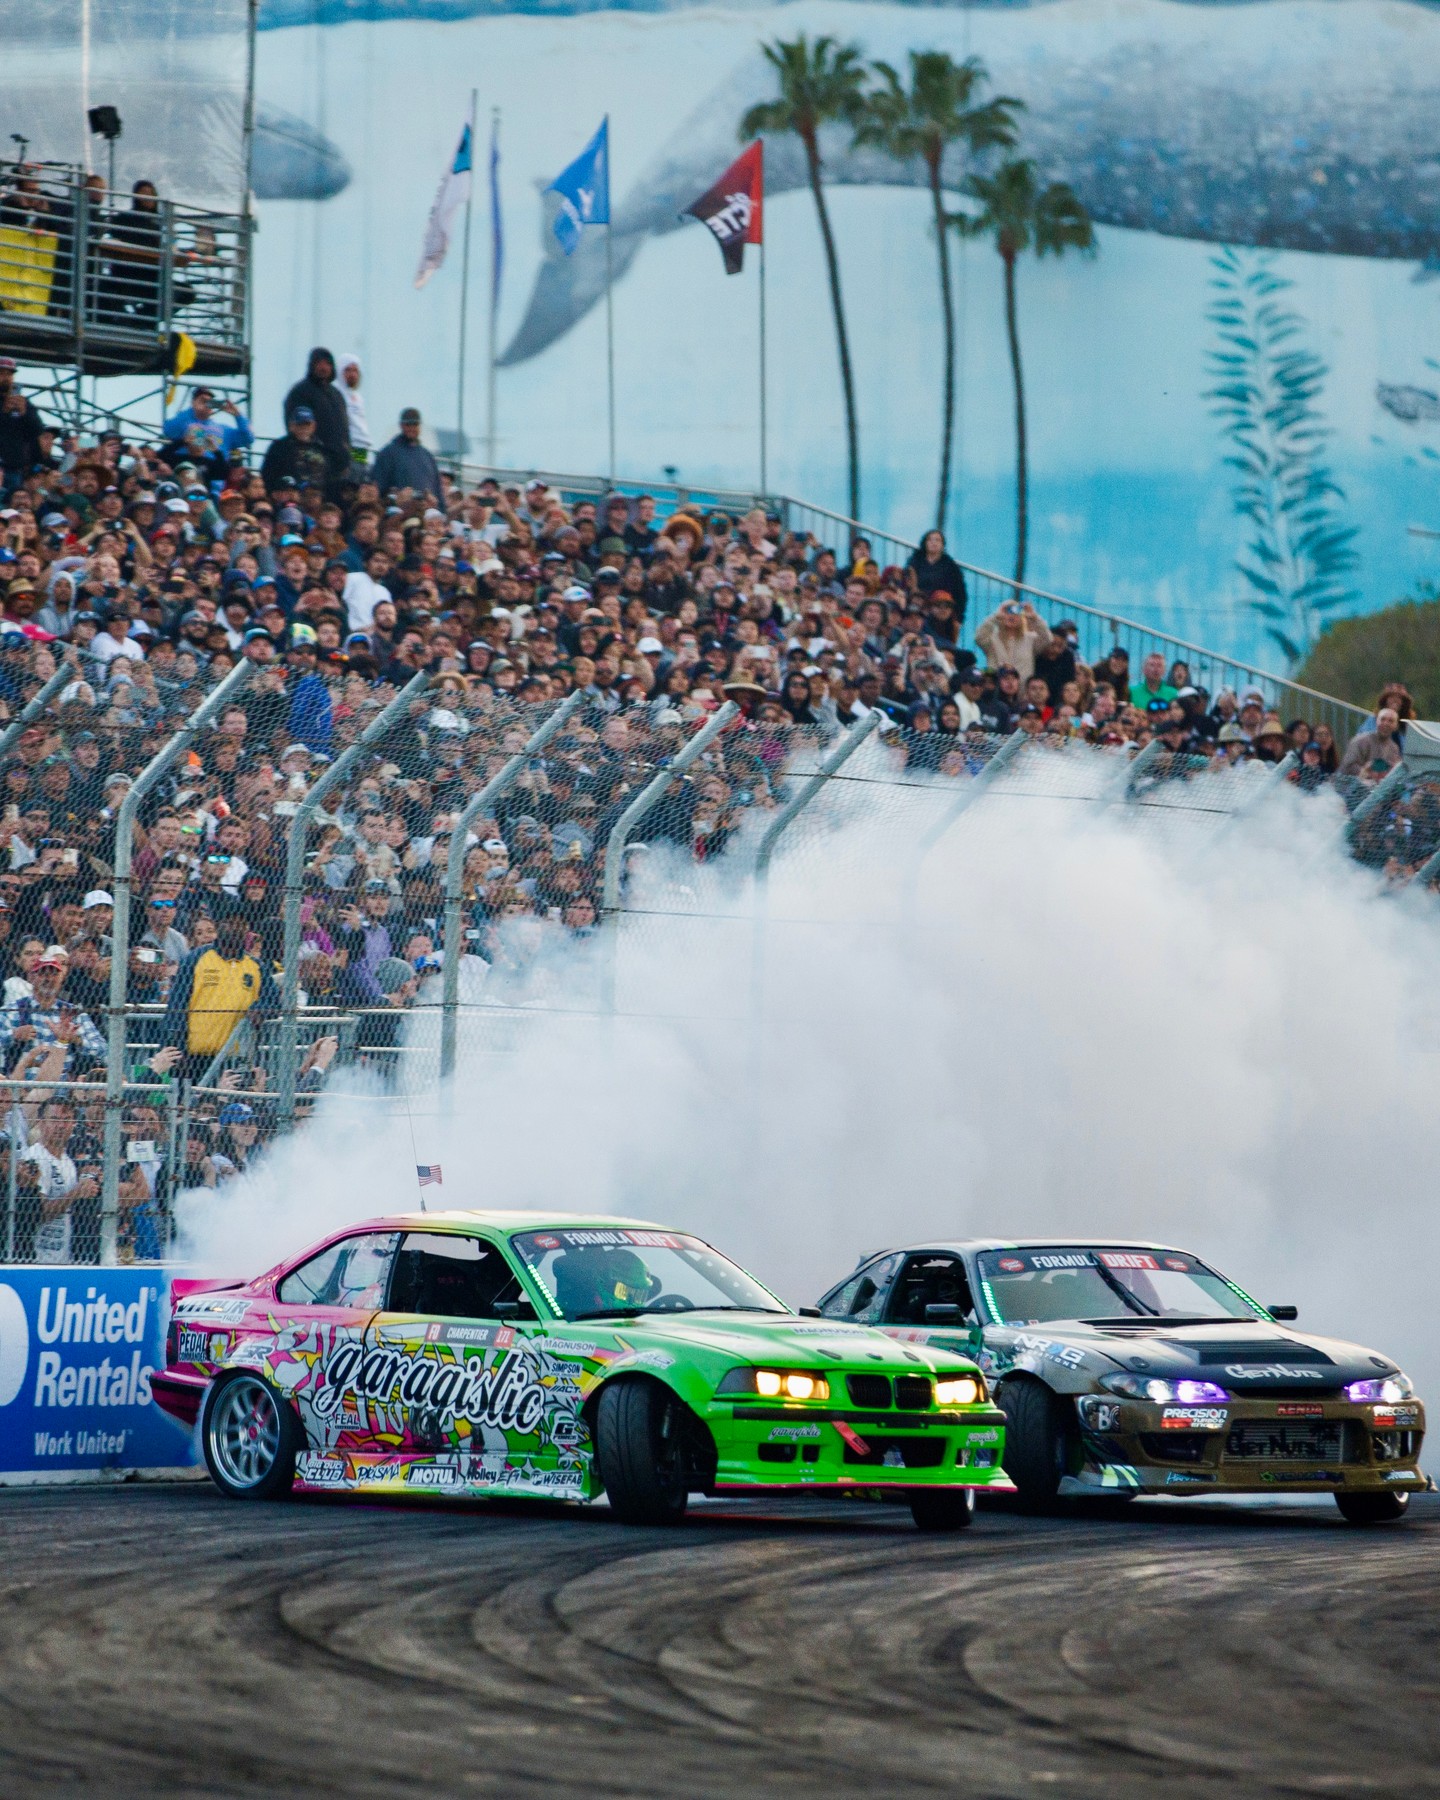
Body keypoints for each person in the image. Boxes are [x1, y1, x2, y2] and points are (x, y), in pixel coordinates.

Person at [162, 915, 279, 1082]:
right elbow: (177, 1004)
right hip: (196, 1055)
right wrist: (177, 1046)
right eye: (229, 922)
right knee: (194, 1097)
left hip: (237, 1058)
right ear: (219, 926)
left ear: (247, 929)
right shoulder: (195, 959)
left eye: (240, 924)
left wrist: (259, 1009)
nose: (235, 928)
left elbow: (273, 1001)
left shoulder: (256, 966)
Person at [20, 1095, 97, 1265]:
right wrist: (76, 1192)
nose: (61, 1125)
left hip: (62, 1259)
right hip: (37, 1258)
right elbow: (37, 1213)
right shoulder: (35, 1158)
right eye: (54, 1119)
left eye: (66, 1120)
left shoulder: (68, 1162)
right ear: (41, 1122)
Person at [283, 348, 351, 494]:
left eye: (327, 363)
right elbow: (295, 428)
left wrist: (349, 456)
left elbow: (345, 429)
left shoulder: (337, 394)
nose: (323, 367)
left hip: (340, 466)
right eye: (319, 363)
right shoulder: (300, 392)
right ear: (311, 365)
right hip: (314, 467)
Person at [372, 408, 443, 502]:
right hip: (397, 509)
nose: (412, 428)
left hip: (426, 509)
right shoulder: (387, 453)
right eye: (408, 424)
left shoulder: (428, 456)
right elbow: (378, 490)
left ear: (419, 426)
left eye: (415, 424)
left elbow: (438, 493)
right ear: (401, 425)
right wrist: (395, 499)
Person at [259, 406, 330, 497]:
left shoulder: (322, 448)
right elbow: (267, 474)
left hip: (317, 498)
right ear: (291, 426)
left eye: (307, 424)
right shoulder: (279, 447)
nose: (303, 428)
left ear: (313, 426)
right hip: (288, 497)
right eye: (299, 424)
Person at [906, 529, 968, 622]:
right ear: (925, 543)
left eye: (937, 540)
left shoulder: (950, 566)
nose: (933, 543)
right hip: (918, 605)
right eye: (930, 540)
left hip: (941, 607)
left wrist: (959, 617)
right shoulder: (915, 561)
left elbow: (960, 592)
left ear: (942, 545)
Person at [338, 354, 372, 466]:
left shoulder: (358, 397)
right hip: (348, 448)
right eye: (348, 370)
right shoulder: (336, 394)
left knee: (360, 473)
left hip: (362, 448)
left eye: (355, 370)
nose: (352, 374)